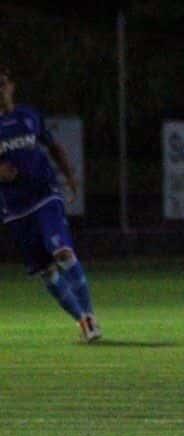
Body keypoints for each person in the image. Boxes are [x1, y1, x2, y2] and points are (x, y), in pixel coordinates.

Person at [0, 66, 101, 341]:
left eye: (3, 83)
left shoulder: (29, 115)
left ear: (11, 87)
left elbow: (53, 146)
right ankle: (81, 320)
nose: (0, 88)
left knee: (63, 252)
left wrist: (70, 177)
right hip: (15, 208)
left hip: (45, 194)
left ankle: (90, 317)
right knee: (47, 271)